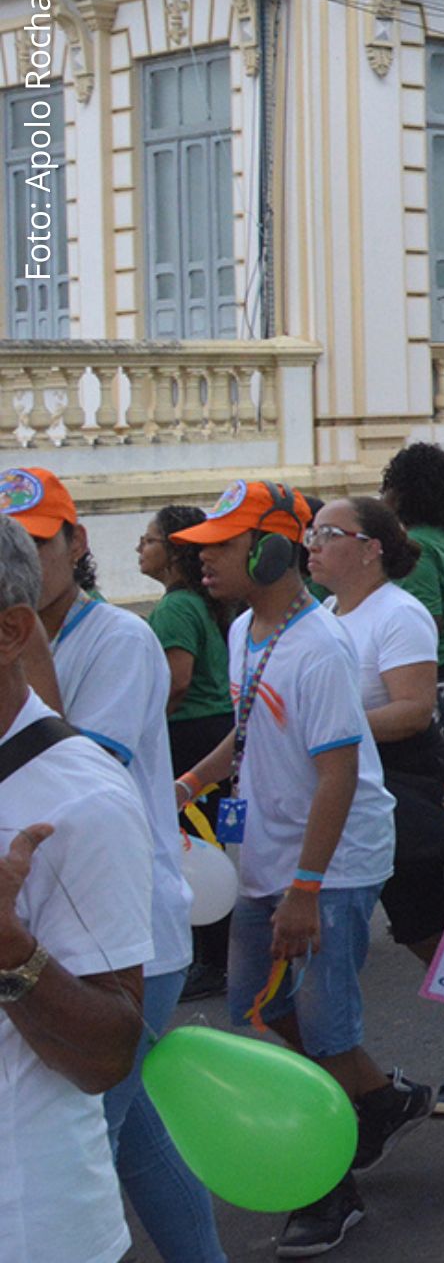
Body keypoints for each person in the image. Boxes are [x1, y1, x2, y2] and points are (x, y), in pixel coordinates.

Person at [170, 482, 420, 1255]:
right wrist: (186, 784)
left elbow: (340, 773)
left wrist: (307, 889)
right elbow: (245, 734)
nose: (203, 559)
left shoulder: (320, 646)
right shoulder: (246, 627)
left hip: (330, 864)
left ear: (273, 550)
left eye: (222, 545)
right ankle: (375, 1101)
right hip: (270, 857)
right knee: (256, 1007)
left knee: (322, 1022)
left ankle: (328, 1183)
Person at [7, 471, 219, 1262]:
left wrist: (23, 641)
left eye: (35, 540)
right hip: (63, 919)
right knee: (136, 1139)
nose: (23, 556)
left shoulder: (121, 640)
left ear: (76, 543)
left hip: (130, 928)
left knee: (86, 1131)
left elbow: (60, 762)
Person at [308, 493, 444, 1120]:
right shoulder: (325, 612)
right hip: (343, 791)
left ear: (369, 549)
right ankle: (354, 1083)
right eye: (310, 534)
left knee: (428, 929)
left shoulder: (399, 613)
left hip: (400, 793)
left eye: (327, 533)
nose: (311, 544)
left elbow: (412, 709)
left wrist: (330, 731)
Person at [0, 515, 155, 1263]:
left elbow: (105, 1056)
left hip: (29, 1221)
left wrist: (7, 947)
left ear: (9, 632)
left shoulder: (78, 800)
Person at [141, 503, 235, 998]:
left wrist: (141, 724)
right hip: (210, 729)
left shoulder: (176, 606)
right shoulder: (195, 602)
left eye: (150, 539)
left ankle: (212, 960)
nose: (141, 547)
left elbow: (176, 682)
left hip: (191, 734)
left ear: (174, 552)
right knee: (208, 843)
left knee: (194, 848)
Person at [382, 442, 444, 699]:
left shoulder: (416, 546)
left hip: (434, 666)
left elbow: (426, 622)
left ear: (401, 493)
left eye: (387, 487)